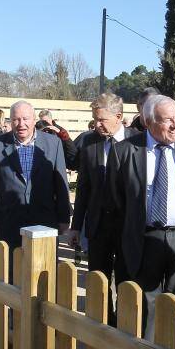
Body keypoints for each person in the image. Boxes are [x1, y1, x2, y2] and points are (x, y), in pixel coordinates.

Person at [106, 94, 175, 349]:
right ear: (148, 121)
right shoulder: (125, 151)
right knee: (147, 305)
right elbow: (116, 201)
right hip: (145, 238)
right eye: (167, 121)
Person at [69, 93, 139, 323]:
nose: (96, 125)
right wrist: (76, 226)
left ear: (118, 117)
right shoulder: (90, 142)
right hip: (98, 225)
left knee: (126, 282)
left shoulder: (138, 141)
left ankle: (124, 333)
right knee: (97, 282)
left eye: (102, 120)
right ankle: (100, 334)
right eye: (94, 119)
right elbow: (84, 188)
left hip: (129, 227)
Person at [0, 100, 71, 250]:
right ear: (10, 121)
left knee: (44, 270)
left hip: (44, 220)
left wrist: (63, 218)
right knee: (10, 269)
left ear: (34, 120)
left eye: (25, 119)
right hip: (9, 221)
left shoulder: (53, 143)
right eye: (16, 119)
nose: (21, 124)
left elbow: (61, 184)